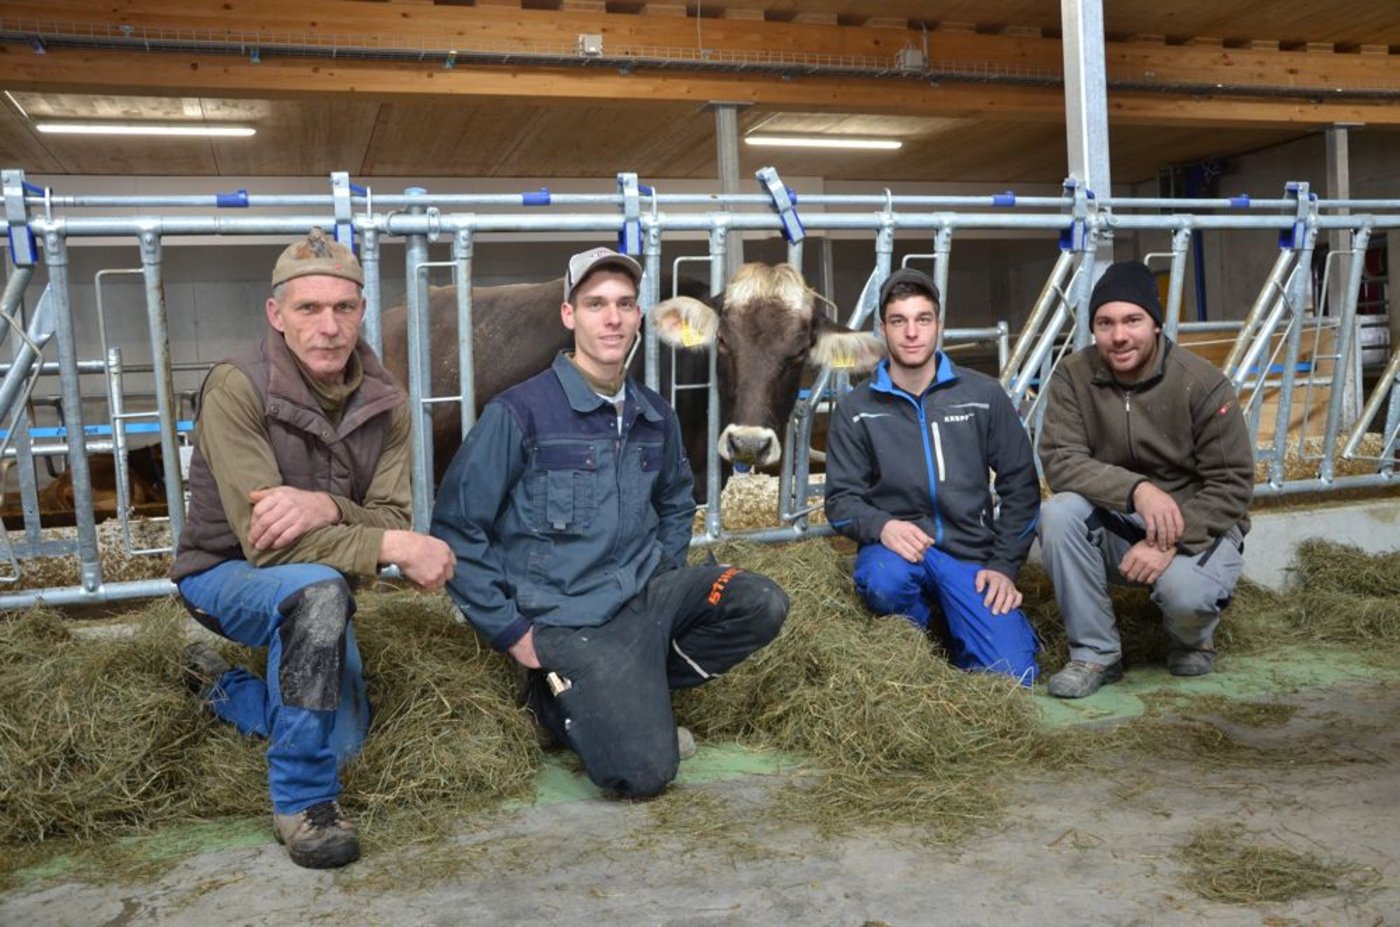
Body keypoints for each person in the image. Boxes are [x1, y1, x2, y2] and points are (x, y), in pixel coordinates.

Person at [430, 246, 789, 798]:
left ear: (640, 318)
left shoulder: (653, 414)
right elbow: (457, 527)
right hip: (565, 618)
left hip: (641, 599)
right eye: (595, 303)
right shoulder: (519, 413)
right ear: (569, 316)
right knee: (643, 772)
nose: (612, 317)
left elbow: (675, 501)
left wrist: (666, 571)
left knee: (760, 602)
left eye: (624, 303)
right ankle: (558, 700)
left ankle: (622, 684)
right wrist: (512, 632)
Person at [172, 228, 455, 868]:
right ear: (277, 315)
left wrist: (324, 505)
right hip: (224, 572)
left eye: (343, 308)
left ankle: (218, 687)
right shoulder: (236, 387)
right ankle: (304, 804)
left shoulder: (387, 403)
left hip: (317, 572)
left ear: (361, 310)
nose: (328, 326)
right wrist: (389, 543)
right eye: (308, 309)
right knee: (320, 594)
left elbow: (390, 513)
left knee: (344, 736)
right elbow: (267, 545)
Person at [1037, 259, 1254, 698]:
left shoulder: (1203, 384)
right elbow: (1061, 460)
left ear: (1155, 324)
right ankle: (1095, 653)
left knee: (1185, 596)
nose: (1119, 336)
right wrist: (1138, 491)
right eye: (1105, 323)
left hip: (1198, 526)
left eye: (1133, 320)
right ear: (1094, 328)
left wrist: (1169, 539)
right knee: (1058, 514)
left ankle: (1195, 637)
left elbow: (1232, 483)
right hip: (1122, 518)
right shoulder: (1073, 377)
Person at [824, 267, 1041, 685]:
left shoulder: (982, 396)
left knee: (1016, 677)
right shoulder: (857, 409)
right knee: (882, 581)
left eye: (923, 319)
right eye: (898, 321)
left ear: (938, 325)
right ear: (883, 330)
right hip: (901, 556)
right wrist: (882, 526)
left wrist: (1004, 566)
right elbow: (840, 501)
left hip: (971, 558)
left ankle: (964, 625)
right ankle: (919, 640)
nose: (911, 333)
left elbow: (1022, 486)